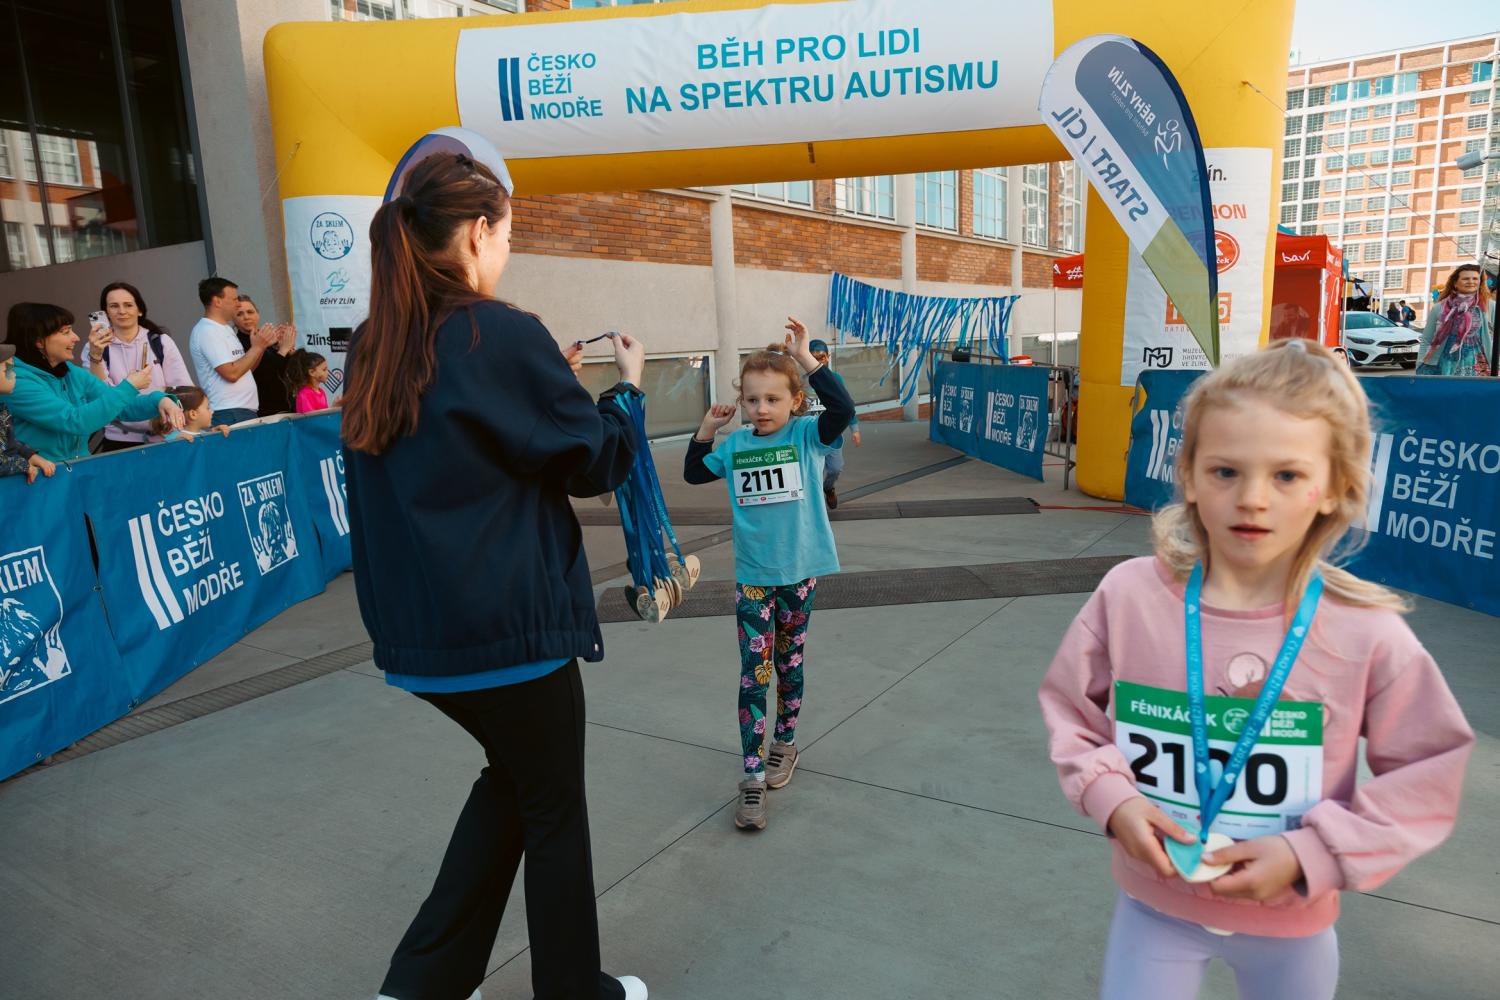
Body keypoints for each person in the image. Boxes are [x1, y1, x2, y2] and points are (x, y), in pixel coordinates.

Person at [1038, 339, 1473, 1000]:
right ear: (1189, 474)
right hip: (1154, 907)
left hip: (1292, 924)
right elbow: (1071, 709)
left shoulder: (1366, 632)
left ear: (1336, 489)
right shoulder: (1129, 596)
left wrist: (1311, 854)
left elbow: (1430, 768)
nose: (1253, 499)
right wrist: (1112, 797)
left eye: (1287, 476)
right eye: (1225, 471)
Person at [341, 151, 649, 1000]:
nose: (508, 251)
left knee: (515, 783)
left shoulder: (375, 343)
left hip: (418, 633)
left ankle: (422, 986)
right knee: (551, 808)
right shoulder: (499, 333)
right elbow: (594, 461)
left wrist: (551, 384)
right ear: (478, 231)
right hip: (508, 626)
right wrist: (625, 392)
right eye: (508, 235)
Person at [683, 319, 855, 831]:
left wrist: (806, 359)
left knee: (789, 663)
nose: (762, 409)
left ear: (795, 401)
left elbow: (843, 410)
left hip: (799, 573)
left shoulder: (807, 436)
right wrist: (706, 431)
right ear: (742, 400)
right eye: (753, 399)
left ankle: (785, 742)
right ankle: (753, 776)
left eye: (773, 399)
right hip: (754, 578)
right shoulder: (736, 445)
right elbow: (694, 472)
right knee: (753, 673)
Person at [4, 302, 182, 462]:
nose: (76, 337)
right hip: (40, 478)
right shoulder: (14, 380)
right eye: (66, 332)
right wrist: (129, 387)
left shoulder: (70, 371)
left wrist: (160, 400)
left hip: (79, 469)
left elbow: (122, 407)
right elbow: (74, 420)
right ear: (39, 341)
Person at [86, 281, 196, 451]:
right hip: (119, 439)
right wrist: (96, 357)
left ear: (140, 310)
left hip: (165, 436)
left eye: (128, 305)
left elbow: (183, 388)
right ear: (105, 312)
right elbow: (99, 395)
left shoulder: (160, 341)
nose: (121, 311)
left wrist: (178, 423)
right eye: (114, 306)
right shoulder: (94, 347)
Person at [190, 276, 274, 425]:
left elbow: (245, 370)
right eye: (234, 299)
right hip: (228, 412)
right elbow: (231, 374)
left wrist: (261, 347)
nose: (238, 304)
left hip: (242, 411)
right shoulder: (207, 331)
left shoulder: (225, 328)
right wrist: (257, 347)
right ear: (217, 301)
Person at [803, 337, 861, 509]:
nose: (817, 361)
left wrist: (855, 429)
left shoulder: (835, 379)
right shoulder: (799, 382)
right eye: (812, 358)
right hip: (809, 435)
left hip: (831, 434)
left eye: (821, 357)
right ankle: (813, 505)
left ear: (828, 358)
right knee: (811, 472)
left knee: (835, 468)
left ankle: (828, 488)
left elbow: (846, 404)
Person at [1416, 264, 1492, 377]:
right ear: (1455, 283)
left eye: (1475, 278)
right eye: (1466, 278)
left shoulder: (1489, 306)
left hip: (1479, 363)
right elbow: (1426, 339)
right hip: (1445, 363)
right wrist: (1420, 363)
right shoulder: (1439, 308)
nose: (1471, 282)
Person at [0, 344, 55, 483]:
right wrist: (24, 466)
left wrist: (30, 456)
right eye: (8, 368)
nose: (13, 374)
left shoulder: (2, 407)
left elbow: (9, 443)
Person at [235, 295, 296, 416]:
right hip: (264, 410)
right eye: (240, 314)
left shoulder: (268, 338)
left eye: (250, 312)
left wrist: (288, 350)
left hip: (287, 407)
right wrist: (283, 350)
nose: (246, 317)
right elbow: (261, 373)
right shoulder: (236, 344)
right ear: (233, 319)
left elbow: (288, 372)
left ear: (258, 314)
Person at [153, 386, 230, 443]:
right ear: (193, 414)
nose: (212, 411)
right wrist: (175, 443)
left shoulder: (205, 434)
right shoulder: (175, 439)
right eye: (207, 408)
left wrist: (215, 435)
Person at [284, 349, 333, 413]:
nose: (327, 373)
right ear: (312, 372)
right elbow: (311, 418)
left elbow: (324, 415)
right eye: (324, 370)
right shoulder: (305, 394)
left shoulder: (321, 391)